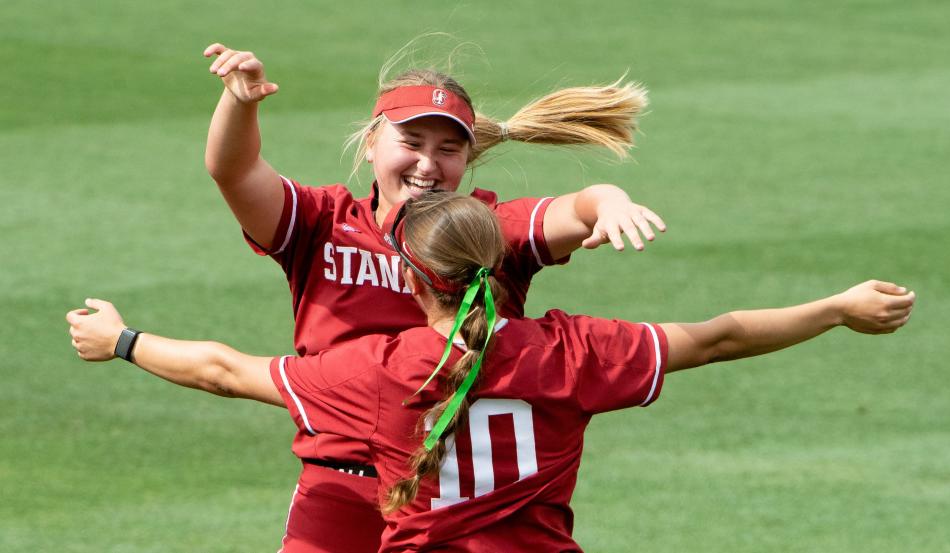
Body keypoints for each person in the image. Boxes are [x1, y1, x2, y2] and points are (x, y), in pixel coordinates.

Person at [68, 193, 914, 553]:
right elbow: (720, 335)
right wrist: (835, 304)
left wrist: (122, 337)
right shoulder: (570, 350)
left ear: (409, 278)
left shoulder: (374, 369)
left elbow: (224, 369)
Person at [200, 41, 666, 551]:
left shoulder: (484, 231)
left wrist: (611, 202)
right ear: (371, 143)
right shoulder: (323, 222)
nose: (428, 164)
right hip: (338, 484)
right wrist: (240, 103)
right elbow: (235, 171)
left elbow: (579, 208)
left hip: (454, 500)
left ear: (468, 156)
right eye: (412, 142)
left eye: (448, 149)